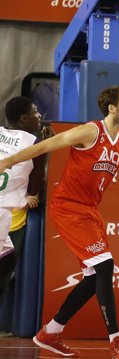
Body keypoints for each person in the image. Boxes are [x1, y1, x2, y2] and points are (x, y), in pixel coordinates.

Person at [0, 86, 119, 359]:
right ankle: (116, 340)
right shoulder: (90, 132)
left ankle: (51, 331)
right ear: (112, 108)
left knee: (95, 277)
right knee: (104, 266)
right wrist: (8, 160)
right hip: (67, 208)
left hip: (90, 212)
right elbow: (45, 146)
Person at [0, 97, 46, 309]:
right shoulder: (33, 142)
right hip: (3, 211)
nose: (39, 116)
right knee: (7, 265)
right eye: (36, 112)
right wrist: (32, 193)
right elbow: (38, 178)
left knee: (8, 261)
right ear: (24, 118)